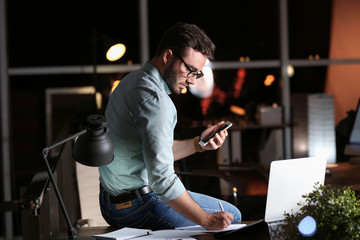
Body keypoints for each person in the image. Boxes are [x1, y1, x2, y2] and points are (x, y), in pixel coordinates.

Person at [99, 22, 241, 231]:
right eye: (190, 70)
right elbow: (162, 181)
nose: (192, 81)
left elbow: (155, 152)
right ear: (168, 56)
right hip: (140, 207)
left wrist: (199, 144)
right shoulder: (157, 102)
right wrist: (206, 220)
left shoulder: (131, 81)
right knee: (233, 217)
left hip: (110, 205)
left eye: (198, 74)